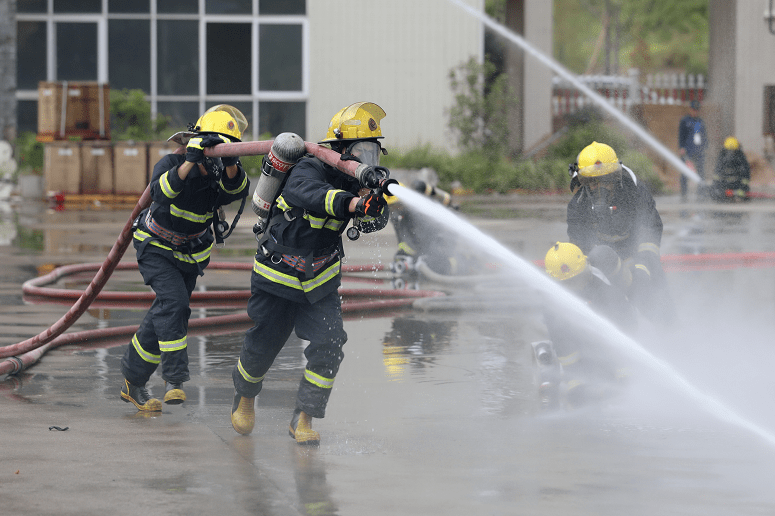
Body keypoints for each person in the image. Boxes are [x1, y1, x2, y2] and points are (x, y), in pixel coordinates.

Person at [230, 102, 391, 444]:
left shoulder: (357, 183)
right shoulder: (309, 167)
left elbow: (372, 221)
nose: (368, 160)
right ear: (341, 148)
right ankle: (244, 398)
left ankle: (303, 418)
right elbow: (307, 194)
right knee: (263, 345)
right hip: (278, 275)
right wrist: (352, 203)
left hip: (320, 281)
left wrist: (374, 203)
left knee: (329, 344)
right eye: (362, 151)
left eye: (373, 152)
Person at [120, 105, 250, 411]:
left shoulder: (221, 174)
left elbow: (236, 190)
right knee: (175, 305)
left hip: (191, 255)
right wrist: (189, 162)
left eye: (223, 151)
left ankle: (132, 382)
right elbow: (160, 192)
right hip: (156, 247)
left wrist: (231, 163)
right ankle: (174, 379)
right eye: (213, 150)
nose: (215, 158)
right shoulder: (173, 163)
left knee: (165, 313)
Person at [566, 141, 672, 324]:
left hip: (638, 257)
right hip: (602, 264)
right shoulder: (578, 206)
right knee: (607, 308)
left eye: (605, 181)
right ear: (583, 182)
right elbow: (579, 248)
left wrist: (644, 265)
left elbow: (650, 229)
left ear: (615, 177)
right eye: (592, 182)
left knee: (658, 300)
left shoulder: (635, 193)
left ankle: (670, 329)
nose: (598, 187)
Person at [539, 242, 636, 408]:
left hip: (609, 341)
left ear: (585, 267)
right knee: (558, 324)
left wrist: (623, 369)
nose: (576, 286)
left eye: (579, 278)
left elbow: (625, 323)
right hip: (578, 344)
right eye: (570, 282)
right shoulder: (552, 303)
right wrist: (575, 381)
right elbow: (560, 338)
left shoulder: (604, 287)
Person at [678, 99, 708, 200]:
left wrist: (705, 146)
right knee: (685, 173)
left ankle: (700, 194)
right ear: (690, 109)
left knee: (700, 173)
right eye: (694, 109)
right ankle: (684, 194)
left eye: (697, 110)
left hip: (699, 151)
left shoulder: (700, 121)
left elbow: (704, 135)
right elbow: (681, 135)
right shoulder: (685, 121)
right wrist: (681, 147)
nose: (695, 111)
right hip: (688, 150)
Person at [710, 136, 751, 202]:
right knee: (715, 194)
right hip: (725, 184)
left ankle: (736, 197)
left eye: (732, 151)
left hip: (737, 185)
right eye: (729, 151)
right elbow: (717, 174)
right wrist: (717, 188)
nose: (730, 154)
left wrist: (742, 188)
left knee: (743, 195)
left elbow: (746, 175)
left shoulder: (741, 158)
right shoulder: (722, 157)